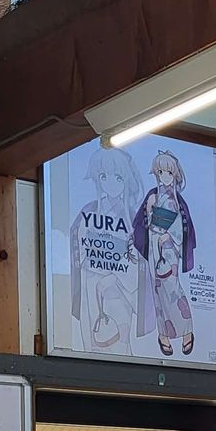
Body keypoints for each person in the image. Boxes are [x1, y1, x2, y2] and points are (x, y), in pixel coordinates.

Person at [67, 145, 141, 352]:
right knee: (91, 338)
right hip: (90, 284)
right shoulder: (89, 211)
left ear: (126, 180)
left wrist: (115, 276)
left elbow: (139, 257)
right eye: (103, 176)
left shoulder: (133, 218)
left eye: (118, 177)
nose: (111, 183)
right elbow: (78, 248)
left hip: (119, 288)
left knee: (119, 344)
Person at [130, 149, 198, 356]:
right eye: (160, 172)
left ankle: (186, 331)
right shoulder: (153, 195)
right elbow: (141, 221)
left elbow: (183, 225)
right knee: (156, 290)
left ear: (175, 174)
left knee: (173, 287)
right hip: (153, 243)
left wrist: (169, 235)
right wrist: (149, 210)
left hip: (169, 247)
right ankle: (163, 335)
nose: (165, 176)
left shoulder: (177, 200)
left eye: (168, 172)